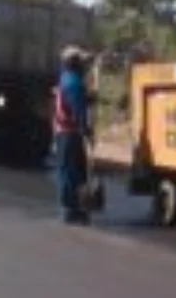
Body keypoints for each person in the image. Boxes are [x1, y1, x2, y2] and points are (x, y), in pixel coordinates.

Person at [53, 45, 96, 225]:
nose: (84, 66)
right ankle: (70, 209)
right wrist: (86, 130)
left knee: (76, 171)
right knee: (71, 172)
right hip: (69, 133)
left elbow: (78, 101)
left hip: (67, 132)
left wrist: (90, 98)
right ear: (74, 63)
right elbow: (77, 109)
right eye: (81, 62)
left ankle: (75, 207)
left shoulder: (67, 79)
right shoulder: (74, 83)